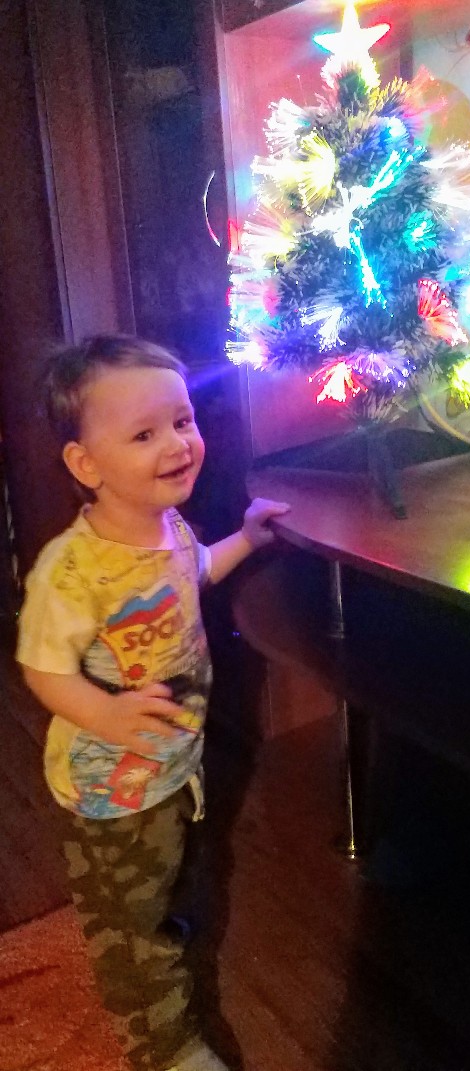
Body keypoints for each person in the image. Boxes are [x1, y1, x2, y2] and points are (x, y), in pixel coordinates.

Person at [16, 335, 290, 1071]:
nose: (177, 444)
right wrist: (106, 714)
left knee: (168, 879)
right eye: (144, 434)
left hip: (172, 765)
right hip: (110, 790)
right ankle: (165, 1047)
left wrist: (248, 538)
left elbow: (195, 573)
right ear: (86, 465)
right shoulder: (74, 571)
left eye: (182, 420)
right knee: (130, 931)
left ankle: (163, 921)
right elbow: (41, 667)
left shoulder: (169, 528)